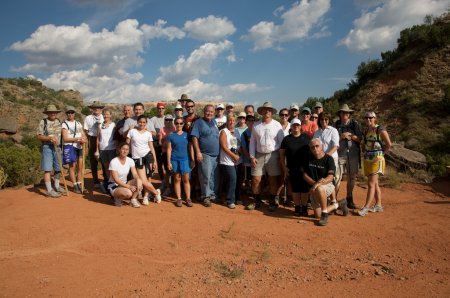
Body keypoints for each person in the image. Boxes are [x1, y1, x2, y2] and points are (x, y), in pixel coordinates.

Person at [246, 102, 284, 212]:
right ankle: (256, 201)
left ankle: (272, 202)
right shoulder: (256, 125)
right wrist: (252, 157)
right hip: (259, 155)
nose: (267, 111)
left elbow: (282, 143)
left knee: (273, 179)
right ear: (261, 111)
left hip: (274, 154)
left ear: (271, 112)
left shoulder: (277, 125)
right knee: (255, 179)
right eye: (265, 109)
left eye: (269, 109)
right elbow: (252, 142)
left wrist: (280, 157)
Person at [303, 138, 349, 226]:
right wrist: (314, 184)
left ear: (322, 147)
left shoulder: (328, 159)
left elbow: (330, 177)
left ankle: (324, 214)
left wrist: (317, 185)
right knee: (317, 215)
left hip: (327, 185)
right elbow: (304, 175)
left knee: (320, 188)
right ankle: (338, 204)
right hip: (314, 187)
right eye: (312, 147)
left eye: (317, 146)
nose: (315, 149)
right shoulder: (308, 158)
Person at [358, 112, 392, 216]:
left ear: (375, 118)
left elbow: (389, 144)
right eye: (366, 117)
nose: (368, 119)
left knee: (371, 184)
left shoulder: (380, 129)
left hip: (377, 160)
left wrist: (382, 154)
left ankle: (366, 207)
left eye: (370, 117)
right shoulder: (365, 130)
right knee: (375, 183)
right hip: (368, 160)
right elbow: (363, 144)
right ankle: (378, 205)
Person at [126, 115, 161, 207]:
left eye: (144, 122)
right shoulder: (132, 131)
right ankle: (156, 193)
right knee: (142, 180)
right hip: (137, 158)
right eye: (140, 122)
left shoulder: (148, 133)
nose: (142, 124)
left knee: (147, 179)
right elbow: (126, 145)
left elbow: (152, 147)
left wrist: (155, 161)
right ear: (137, 122)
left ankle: (147, 196)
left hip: (147, 157)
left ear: (146, 123)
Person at [279, 119, 311, 216]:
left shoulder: (306, 137)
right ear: (291, 127)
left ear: (300, 126)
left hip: (305, 168)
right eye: (294, 125)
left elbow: (312, 151)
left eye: (298, 125)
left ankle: (304, 208)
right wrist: (284, 168)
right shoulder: (286, 139)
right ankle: (297, 207)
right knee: (296, 189)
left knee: (305, 189)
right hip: (292, 168)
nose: (296, 127)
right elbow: (281, 155)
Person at [191, 104, 220, 207]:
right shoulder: (198, 122)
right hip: (205, 153)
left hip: (216, 155)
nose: (210, 113)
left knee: (213, 176)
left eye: (212, 112)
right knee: (205, 176)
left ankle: (212, 195)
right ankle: (206, 196)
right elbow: (194, 138)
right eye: (208, 111)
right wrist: (198, 152)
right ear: (204, 111)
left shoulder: (214, 121)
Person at [334, 104, 362, 209]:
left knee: (351, 178)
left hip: (353, 156)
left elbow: (360, 139)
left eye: (347, 113)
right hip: (340, 155)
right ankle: (334, 199)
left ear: (349, 114)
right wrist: (341, 137)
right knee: (337, 177)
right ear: (340, 114)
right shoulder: (336, 125)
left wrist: (352, 137)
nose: (345, 114)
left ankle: (349, 198)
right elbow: (332, 139)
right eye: (343, 112)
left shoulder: (355, 124)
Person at [37, 104, 65, 197]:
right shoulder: (43, 122)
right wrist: (49, 138)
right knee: (47, 169)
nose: (53, 113)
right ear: (47, 113)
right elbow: (39, 136)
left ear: (56, 113)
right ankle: (49, 190)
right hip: (47, 147)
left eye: (54, 112)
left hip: (57, 147)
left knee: (58, 168)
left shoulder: (59, 121)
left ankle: (57, 186)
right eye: (50, 112)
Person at [167, 117, 194, 207]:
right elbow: (169, 149)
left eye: (181, 123)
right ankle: (179, 198)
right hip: (175, 160)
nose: (179, 125)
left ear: (183, 124)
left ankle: (188, 198)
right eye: (177, 123)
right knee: (177, 179)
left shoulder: (187, 135)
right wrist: (168, 162)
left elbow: (191, 148)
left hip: (185, 160)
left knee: (186, 179)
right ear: (175, 124)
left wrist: (192, 160)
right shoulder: (171, 135)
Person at [107, 142, 143, 207]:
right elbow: (116, 179)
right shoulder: (113, 161)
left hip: (125, 184)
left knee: (139, 180)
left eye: (127, 149)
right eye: (123, 149)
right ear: (119, 150)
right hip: (114, 186)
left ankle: (133, 200)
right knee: (128, 193)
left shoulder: (130, 160)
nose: (125, 151)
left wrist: (138, 182)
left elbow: (135, 174)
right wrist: (129, 187)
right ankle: (117, 199)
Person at [61, 105, 87, 194]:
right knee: (72, 166)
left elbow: (83, 135)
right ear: (66, 114)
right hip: (70, 146)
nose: (70, 114)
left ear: (74, 113)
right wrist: (77, 139)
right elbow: (65, 138)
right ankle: (75, 185)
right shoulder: (64, 124)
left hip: (79, 147)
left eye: (72, 112)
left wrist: (84, 139)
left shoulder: (78, 123)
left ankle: (80, 184)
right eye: (69, 113)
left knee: (80, 166)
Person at [219, 114, 241, 209]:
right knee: (232, 179)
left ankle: (234, 198)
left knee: (235, 180)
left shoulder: (236, 131)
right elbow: (223, 146)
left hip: (236, 161)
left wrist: (238, 154)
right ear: (227, 121)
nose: (232, 122)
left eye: (233, 120)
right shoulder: (223, 131)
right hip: (226, 161)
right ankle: (229, 200)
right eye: (230, 120)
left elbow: (238, 145)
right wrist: (233, 155)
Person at [313, 112, 340, 188]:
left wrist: (326, 156)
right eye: (322, 119)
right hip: (320, 159)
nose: (324, 121)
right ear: (319, 120)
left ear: (329, 120)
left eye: (326, 119)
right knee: (322, 178)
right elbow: (314, 145)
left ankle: (334, 199)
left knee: (332, 178)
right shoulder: (317, 132)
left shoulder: (333, 130)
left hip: (331, 158)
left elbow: (336, 146)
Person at [83, 101, 104, 188]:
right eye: (95, 107)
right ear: (92, 109)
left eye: (98, 108)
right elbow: (85, 130)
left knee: (104, 159)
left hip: (103, 139)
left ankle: (106, 179)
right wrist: (88, 142)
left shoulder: (104, 117)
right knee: (93, 160)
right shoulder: (88, 118)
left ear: (101, 109)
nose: (97, 109)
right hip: (92, 138)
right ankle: (95, 180)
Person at [96, 108, 117, 193]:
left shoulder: (113, 125)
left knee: (112, 168)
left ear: (111, 115)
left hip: (112, 149)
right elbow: (98, 138)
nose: (106, 116)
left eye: (107, 114)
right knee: (106, 168)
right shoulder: (100, 125)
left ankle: (114, 184)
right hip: (103, 149)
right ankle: (109, 185)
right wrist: (97, 150)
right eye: (104, 114)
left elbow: (116, 137)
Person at [148, 102, 167, 187]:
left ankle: (169, 182)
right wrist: (158, 135)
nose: (161, 110)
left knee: (167, 163)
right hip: (157, 144)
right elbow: (151, 132)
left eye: (162, 108)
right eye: (159, 108)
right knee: (159, 163)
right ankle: (163, 181)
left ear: (165, 109)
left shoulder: (168, 118)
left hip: (167, 144)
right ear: (157, 109)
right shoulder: (153, 119)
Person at [159, 114, 176, 196]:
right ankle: (168, 187)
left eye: (170, 120)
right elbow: (160, 142)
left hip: (175, 153)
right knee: (167, 170)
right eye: (166, 120)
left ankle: (173, 186)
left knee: (174, 170)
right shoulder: (162, 129)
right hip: (165, 153)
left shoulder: (175, 128)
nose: (168, 121)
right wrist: (167, 144)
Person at [240, 114, 255, 196]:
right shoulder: (244, 134)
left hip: (256, 158)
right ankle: (248, 190)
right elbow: (243, 148)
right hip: (247, 159)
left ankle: (254, 191)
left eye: (252, 120)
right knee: (247, 177)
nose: (251, 122)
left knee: (255, 176)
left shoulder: (257, 132)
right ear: (246, 122)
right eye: (249, 121)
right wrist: (250, 158)